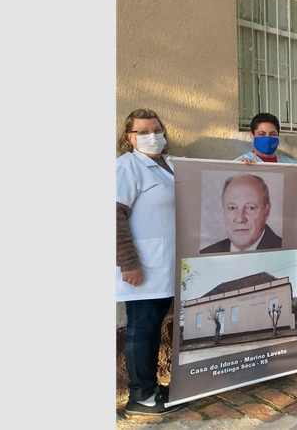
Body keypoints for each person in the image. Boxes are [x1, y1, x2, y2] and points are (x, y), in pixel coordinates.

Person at [116, 109, 182, 416]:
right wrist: (128, 262)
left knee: (154, 327)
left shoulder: (170, 165)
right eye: (142, 131)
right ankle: (140, 396)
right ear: (129, 137)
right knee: (141, 328)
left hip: (167, 265)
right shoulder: (126, 167)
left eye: (155, 129)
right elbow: (113, 216)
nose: (151, 136)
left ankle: (152, 387)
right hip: (141, 265)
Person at [235, 112, 297, 287]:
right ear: (252, 136)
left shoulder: (292, 165)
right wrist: (236, 171)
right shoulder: (241, 162)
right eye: (262, 135)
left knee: (288, 283)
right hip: (254, 239)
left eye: (272, 134)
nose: (268, 139)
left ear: (278, 137)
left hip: (287, 235)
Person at [199, 174, 282, 253]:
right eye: (232, 208)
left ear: (266, 212)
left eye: (250, 208)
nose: (240, 219)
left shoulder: (285, 250)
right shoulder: (205, 254)